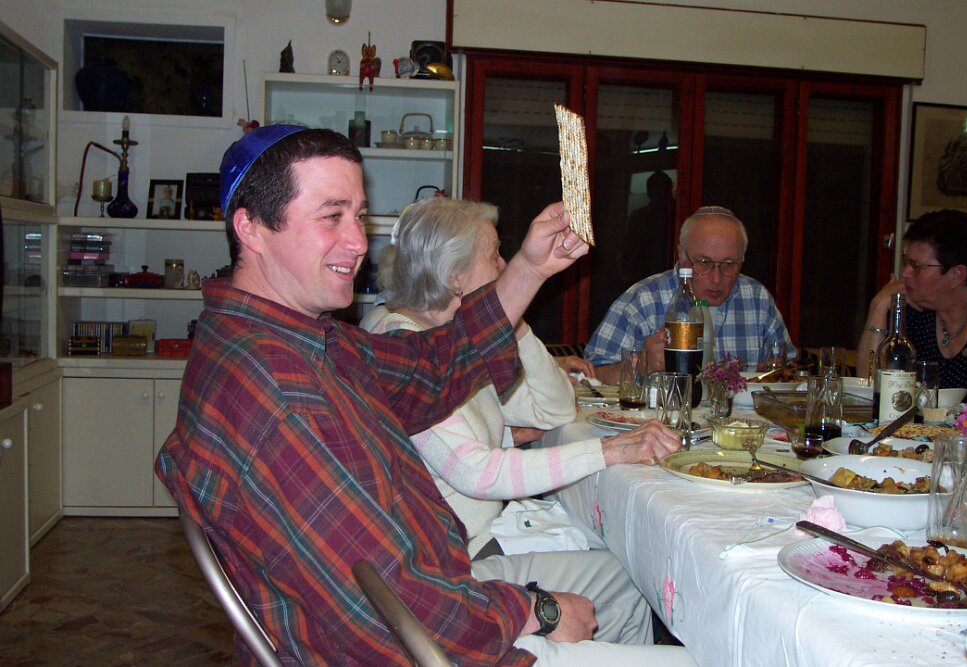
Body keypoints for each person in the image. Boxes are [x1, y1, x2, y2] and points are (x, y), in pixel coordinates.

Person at [155, 124, 686, 666]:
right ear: (251, 227)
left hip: (431, 595)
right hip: (416, 648)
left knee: (622, 593)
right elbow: (394, 608)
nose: (358, 242)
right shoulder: (280, 394)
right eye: (331, 216)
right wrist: (537, 609)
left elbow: (432, 368)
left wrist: (529, 269)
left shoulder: (294, 340)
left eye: (359, 216)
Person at [360, 198, 680, 560]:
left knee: (616, 544)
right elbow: (479, 474)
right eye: (494, 256)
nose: (503, 266)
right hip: (459, 554)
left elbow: (555, 410)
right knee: (629, 567)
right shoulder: (400, 345)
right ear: (455, 277)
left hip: (486, 530)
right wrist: (609, 450)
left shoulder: (453, 342)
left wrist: (513, 323)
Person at [586, 205, 795, 384]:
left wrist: (774, 375)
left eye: (729, 264)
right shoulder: (643, 300)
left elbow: (790, 370)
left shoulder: (757, 299)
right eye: (703, 263)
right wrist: (642, 365)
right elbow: (590, 378)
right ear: (682, 255)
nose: (716, 278)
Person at [857, 209, 967, 407]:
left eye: (917, 266)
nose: (905, 273)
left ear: (957, 275)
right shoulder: (914, 310)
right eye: (906, 262)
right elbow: (868, 388)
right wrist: (878, 306)